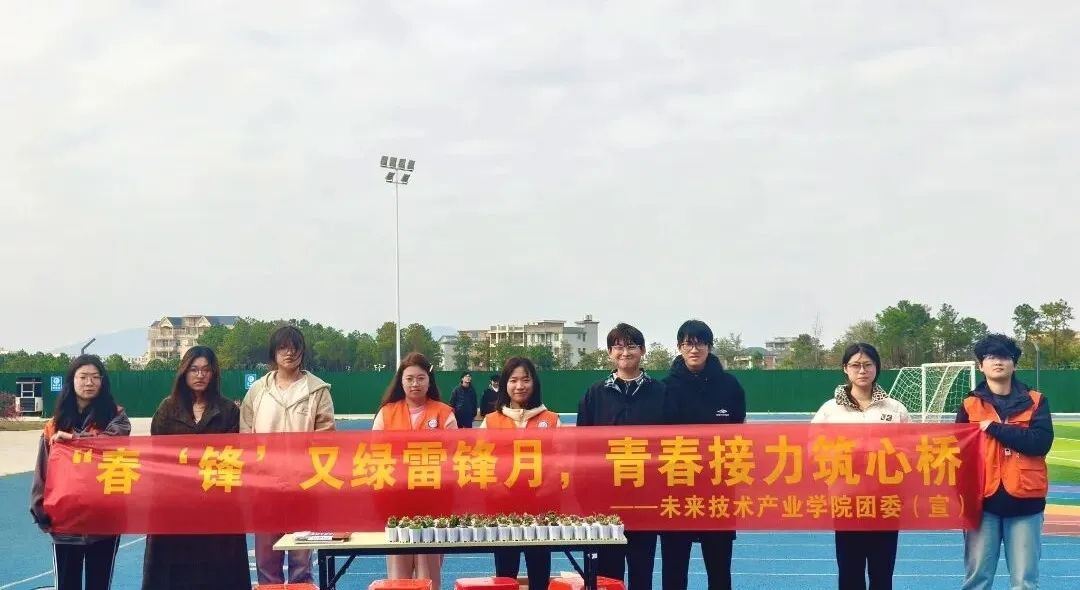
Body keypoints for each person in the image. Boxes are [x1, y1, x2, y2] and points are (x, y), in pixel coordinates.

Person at [142, 346, 250, 589]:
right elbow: (157, 456)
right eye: (194, 369)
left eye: (206, 370)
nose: (200, 375)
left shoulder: (228, 411)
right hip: (176, 507)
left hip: (217, 506)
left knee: (218, 573)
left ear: (213, 374)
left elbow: (234, 456)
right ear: (184, 372)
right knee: (176, 574)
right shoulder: (167, 410)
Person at [240, 325, 335, 585]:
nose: (289, 353)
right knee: (266, 563)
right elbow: (246, 438)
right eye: (283, 348)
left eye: (295, 348)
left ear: (303, 352)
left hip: (303, 487)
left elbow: (326, 438)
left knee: (301, 564)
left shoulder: (317, 390)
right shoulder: (257, 391)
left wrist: (308, 473)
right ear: (273, 352)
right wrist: (256, 474)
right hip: (265, 488)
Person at [957, 334, 1053, 590]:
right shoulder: (969, 405)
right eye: (990, 357)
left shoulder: (1036, 401)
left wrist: (995, 428)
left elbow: (1040, 443)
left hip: (1026, 503)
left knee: (1024, 581)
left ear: (1014, 363)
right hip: (981, 504)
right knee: (977, 579)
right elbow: (957, 452)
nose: (997, 361)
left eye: (1004, 356)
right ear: (981, 365)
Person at [577, 323, 668, 590]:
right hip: (606, 502)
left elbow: (672, 445)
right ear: (609, 353)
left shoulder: (661, 392)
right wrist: (585, 496)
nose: (625, 352)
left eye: (631, 346)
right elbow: (582, 449)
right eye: (618, 347)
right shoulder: (594, 394)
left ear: (643, 350)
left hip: (646, 500)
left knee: (642, 572)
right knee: (608, 577)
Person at [811, 343, 910, 590]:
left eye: (868, 365)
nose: (862, 370)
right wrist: (844, 454)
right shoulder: (830, 410)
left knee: (882, 572)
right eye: (855, 365)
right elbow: (813, 450)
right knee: (850, 571)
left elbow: (912, 449)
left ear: (877, 368)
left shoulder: (895, 409)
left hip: (886, 500)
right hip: (846, 500)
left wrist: (888, 455)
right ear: (845, 368)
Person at [30, 354, 130, 590]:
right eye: (83, 377)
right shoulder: (54, 425)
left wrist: (75, 440)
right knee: (66, 584)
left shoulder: (116, 417)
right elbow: (43, 467)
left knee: (99, 584)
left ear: (103, 382)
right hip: (66, 519)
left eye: (95, 377)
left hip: (104, 519)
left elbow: (113, 442)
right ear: (71, 381)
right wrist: (39, 506)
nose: (89, 382)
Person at [660, 320, 746, 590]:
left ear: (709, 346)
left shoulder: (730, 386)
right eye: (688, 343)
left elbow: (739, 434)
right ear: (679, 347)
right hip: (676, 489)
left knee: (719, 570)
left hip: (717, 489)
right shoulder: (665, 388)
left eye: (700, 343)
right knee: (674, 569)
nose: (694, 349)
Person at [373, 352, 457, 588]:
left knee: (428, 573)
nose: (415, 384)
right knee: (398, 575)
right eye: (409, 378)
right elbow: (375, 453)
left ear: (429, 380)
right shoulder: (386, 413)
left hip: (434, 502)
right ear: (401, 381)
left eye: (420, 378)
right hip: (396, 502)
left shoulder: (444, 413)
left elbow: (454, 455)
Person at [481, 357, 560, 589]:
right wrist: (497, 488)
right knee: (505, 575)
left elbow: (560, 463)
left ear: (534, 383)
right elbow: (481, 462)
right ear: (504, 384)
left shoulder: (551, 420)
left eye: (525, 380)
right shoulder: (491, 421)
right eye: (513, 380)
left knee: (540, 572)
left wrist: (546, 488)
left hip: (541, 510)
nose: (519, 386)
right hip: (503, 511)